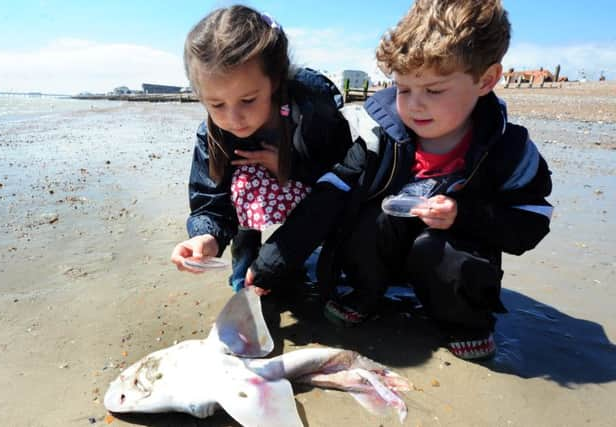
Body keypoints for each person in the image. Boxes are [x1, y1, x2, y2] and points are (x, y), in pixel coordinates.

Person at [317, 0, 553, 360]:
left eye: (434, 90)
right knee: (368, 219)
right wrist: (278, 261)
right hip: (386, 253)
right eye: (403, 88)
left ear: (485, 80)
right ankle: (366, 294)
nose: (414, 105)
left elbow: (531, 223)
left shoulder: (509, 149)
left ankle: (464, 323)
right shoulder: (379, 133)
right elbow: (331, 193)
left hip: (452, 253)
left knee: (440, 252)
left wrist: (464, 215)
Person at [170, 5, 353, 294]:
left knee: (330, 220)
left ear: (275, 80)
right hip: (254, 194)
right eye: (217, 104)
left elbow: (346, 176)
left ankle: (315, 265)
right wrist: (205, 237)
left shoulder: (311, 111)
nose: (233, 118)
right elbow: (211, 199)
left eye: (248, 100)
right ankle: (243, 275)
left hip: (312, 184)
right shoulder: (213, 133)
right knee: (241, 188)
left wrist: (289, 166)